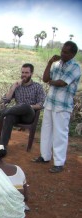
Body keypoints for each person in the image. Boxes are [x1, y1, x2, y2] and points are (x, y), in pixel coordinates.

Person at [33, 41, 81, 173]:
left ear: (73, 54)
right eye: (62, 51)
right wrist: (49, 63)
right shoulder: (56, 64)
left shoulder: (75, 67)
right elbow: (45, 78)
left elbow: (62, 83)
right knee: (46, 131)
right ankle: (45, 156)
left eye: (66, 52)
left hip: (63, 106)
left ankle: (59, 162)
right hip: (50, 103)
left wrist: (51, 82)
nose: (62, 54)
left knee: (60, 134)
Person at [0, 63, 45, 147]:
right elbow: (6, 100)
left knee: (25, 106)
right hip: (17, 114)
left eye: (26, 73)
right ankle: (1, 148)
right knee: (9, 117)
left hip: (29, 115)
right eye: (22, 72)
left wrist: (29, 107)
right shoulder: (17, 86)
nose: (24, 75)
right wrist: (13, 87)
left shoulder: (37, 87)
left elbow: (41, 104)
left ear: (31, 73)